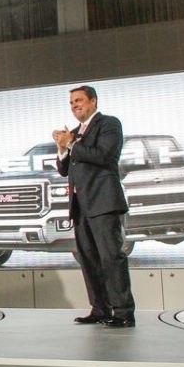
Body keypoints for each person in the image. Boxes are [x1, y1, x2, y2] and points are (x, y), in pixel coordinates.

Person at [52, 86, 135, 328]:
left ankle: (123, 313)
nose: (74, 105)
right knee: (88, 260)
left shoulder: (109, 124)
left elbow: (104, 156)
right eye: (71, 102)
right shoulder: (74, 133)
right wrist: (62, 149)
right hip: (81, 208)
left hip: (103, 203)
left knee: (111, 258)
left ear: (93, 101)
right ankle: (100, 309)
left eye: (78, 100)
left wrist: (71, 144)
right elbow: (65, 170)